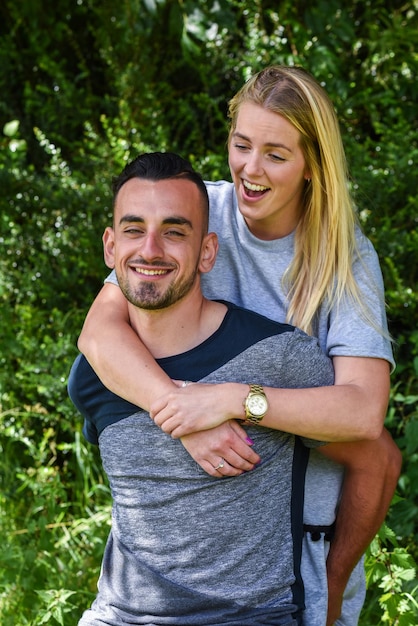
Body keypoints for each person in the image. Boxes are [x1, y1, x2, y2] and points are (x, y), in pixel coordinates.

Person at [77, 67, 401, 625]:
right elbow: (100, 333)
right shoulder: (193, 215)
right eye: (241, 144)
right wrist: (184, 413)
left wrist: (232, 400)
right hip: (186, 529)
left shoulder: (343, 257)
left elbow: (364, 412)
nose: (251, 169)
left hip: (301, 539)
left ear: (311, 167)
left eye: (275, 154)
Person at [69, 151, 341, 624]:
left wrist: (331, 596)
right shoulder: (95, 372)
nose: (150, 249)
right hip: (119, 614)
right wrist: (179, 415)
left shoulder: (278, 357)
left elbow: (371, 450)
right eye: (134, 230)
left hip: (246, 616)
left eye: (174, 232)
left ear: (207, 251)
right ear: (110, 248)